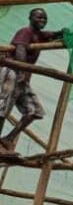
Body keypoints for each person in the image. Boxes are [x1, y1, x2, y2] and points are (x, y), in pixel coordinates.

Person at [0, 8, 65, 155]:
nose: (42, 20)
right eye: (39, 17)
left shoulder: (39, 35)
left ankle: (7, 139)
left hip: (22, 77)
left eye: (44, 18)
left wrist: (64, 32)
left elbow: (53, 35)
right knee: (3, 106)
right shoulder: (25, 32)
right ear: (30, 18)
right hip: (12, 72)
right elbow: (20, 50)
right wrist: (23, 70)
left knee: (35, 111)